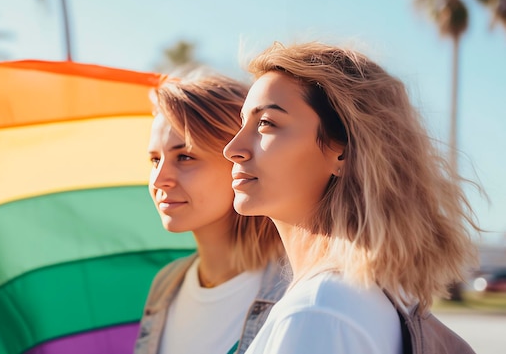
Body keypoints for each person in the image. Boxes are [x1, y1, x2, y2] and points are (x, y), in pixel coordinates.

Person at [223, 42, 480, 354]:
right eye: (243, 123)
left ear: (343, 151)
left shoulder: (319, 314)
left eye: (266, 123)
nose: (233, 148)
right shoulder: (369, 299)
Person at [135, 71, 288, 354]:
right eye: (155, 160)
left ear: (242, 159)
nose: (158, 180)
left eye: (185, 157)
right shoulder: (167, 285)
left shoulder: (296, 289)